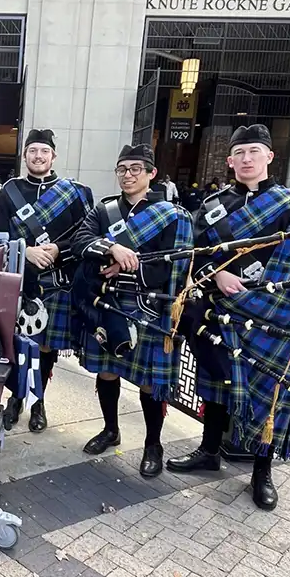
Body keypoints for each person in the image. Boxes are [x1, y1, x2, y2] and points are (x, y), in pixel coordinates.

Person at [166, 125, 290, 510]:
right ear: (229, 160)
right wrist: (217, 273)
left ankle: (262, 472)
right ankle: (210, 450)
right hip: (220, 309)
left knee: (268, 395)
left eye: (255, 151)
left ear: (269, 157)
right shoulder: (214, 205)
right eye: (240, 152)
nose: (247, 158)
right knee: (217, 382)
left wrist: (254, 300)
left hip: (272, 318)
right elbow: (196, 252)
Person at [70, 144, 193, 477]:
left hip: (149, 307)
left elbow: (179, 263)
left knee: (150, 382)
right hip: (107, 304)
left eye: (136, 169)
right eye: (122, 169)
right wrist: (112, 246)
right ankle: (111, 430)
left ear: (151, 174)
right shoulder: (105, 211)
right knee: (106, 370)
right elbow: (80, 242)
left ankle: (153, 443)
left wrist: (130, 268)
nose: (128, 175)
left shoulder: (172, 213)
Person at [0, 129, 94, 432]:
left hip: (57, 281)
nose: (38, 156)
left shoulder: (74, 192)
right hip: (21, 279)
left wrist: (57, 248)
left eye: (44, 151)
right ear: (25, 156)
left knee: (47, 347)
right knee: (17, 343)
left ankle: (39, 402)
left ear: (53, 156)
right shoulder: (10, 190)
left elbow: (86, 235)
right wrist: (27, 250)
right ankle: (16, 398)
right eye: (33, 151)